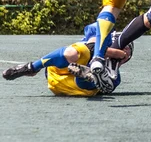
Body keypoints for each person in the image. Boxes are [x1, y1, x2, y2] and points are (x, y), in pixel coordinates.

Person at [2, 24, 133, 96]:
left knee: (94, 87)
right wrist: (113, 52)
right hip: (55, 69)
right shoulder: (103, 37)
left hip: (65, 86)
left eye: (129, 53)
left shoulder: (116, 77)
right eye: (126, 47)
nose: (126, 52)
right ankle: (32, 68)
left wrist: (113, 63)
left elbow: (107, 88)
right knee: (73, 53)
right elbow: (93, 44)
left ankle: (85, 75)